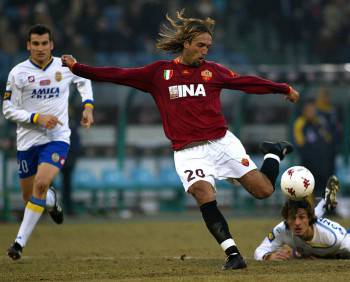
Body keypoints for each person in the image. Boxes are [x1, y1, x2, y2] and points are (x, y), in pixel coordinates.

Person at [61, 10, 299, 270]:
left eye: (208, 46)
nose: (205, 51)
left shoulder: (214, 72)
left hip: (222, 143)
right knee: (203, 194)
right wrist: (77, 67)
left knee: (264, 191)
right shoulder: (158, 73)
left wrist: (282, 88)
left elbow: (247, 83)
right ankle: (233, 255)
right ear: (186, 43)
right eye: (200, 46)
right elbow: (117, 74)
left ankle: (273, 153)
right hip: (188, 152)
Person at [4, 24, 94, 260]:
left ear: (51, 45)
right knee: (31, 196)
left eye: (45, 43)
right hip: (27, 141)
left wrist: (88, 107)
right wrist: (36, 118)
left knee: (40, 185)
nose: (40, 48)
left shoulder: (65, 65)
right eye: (36, 43)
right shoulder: (18, 73)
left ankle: (18, 244)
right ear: (28, 45)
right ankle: (53, 201)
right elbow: (7, 110)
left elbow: (84, 79)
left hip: (57, 138)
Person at [254, 165, 350, 260]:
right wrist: (269, 256)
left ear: (309, 218)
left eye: (301, 217)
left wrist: (301, 255)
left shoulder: (333, 238)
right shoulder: (283, 229)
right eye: (293, 218)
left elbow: (335, 253)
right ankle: (325, 202)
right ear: (287, 219)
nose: (297, 223)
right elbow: (259, 251)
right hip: (317, 229)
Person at [293, 100, 333, 197]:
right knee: (308, 187)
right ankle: (309, 208)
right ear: (304, 111)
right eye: (310, 110)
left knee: (324, 186)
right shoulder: (300, 124)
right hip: (308, 162)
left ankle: (324, 208)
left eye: (313, 110)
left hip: (323, 161)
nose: (312, 112)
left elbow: (328, 139)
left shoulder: (319, 122)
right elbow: (300, 143)